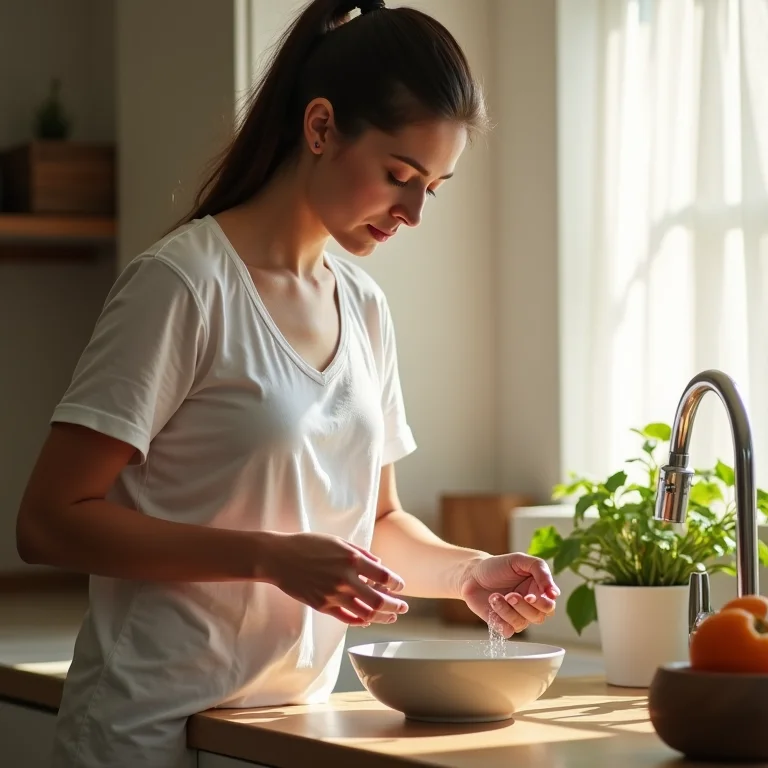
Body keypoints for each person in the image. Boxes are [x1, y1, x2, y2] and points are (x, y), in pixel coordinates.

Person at [16, 1, 560, 766]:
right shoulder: (182, 285)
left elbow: (371, 523)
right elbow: (48, 523)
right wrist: (271, 558)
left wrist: (471, 574)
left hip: (286, 732)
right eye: (399, 175)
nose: (411, 212)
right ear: (320, 128)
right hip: (142, 733)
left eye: (431, 188)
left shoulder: (364, 308)